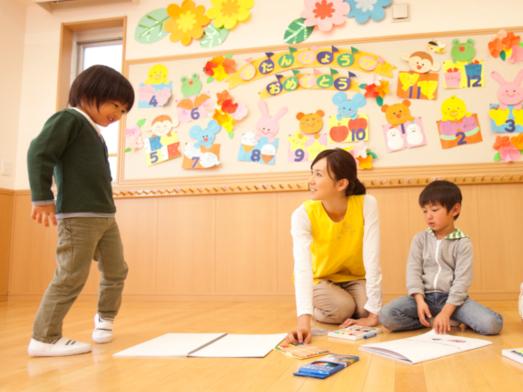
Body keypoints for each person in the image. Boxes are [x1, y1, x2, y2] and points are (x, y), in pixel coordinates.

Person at [26, 65, 135, 356]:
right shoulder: (68, 119)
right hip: (79, 216)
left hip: (104, 217)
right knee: (71, 275)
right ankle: (44, 337)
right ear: (90, 94)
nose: (119, 114)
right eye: (116, 105)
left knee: (116, 270)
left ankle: (105, 318)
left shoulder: (92, 130)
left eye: (124, 111)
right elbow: (39, 153)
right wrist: (41, 197)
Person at [379, 180, 503, 335]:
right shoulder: (419, 239)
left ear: (455, 210)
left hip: (454, 302)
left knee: (492, 324)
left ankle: (447, 318)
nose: (428, 216)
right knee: (386, 315)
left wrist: (446, 312)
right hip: (424, 300)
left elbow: (462, 281)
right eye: (425, 211)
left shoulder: (463, 242)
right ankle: (433, 321)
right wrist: (419, 300)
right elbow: (413, 271)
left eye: (434, 210)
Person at [287, 148, 383, 344]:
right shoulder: (302, 214)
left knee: (365, 309)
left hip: (355, 278)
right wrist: (304, 319)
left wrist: (373, 313)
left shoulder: (367, 204)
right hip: (320, 280)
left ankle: (349, 303)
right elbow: (302, 267)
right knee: (342, 310)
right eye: (312, 173)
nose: (311, 181)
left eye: (319, 174)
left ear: (341, 183)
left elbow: (372, 257)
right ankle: (317, 307)